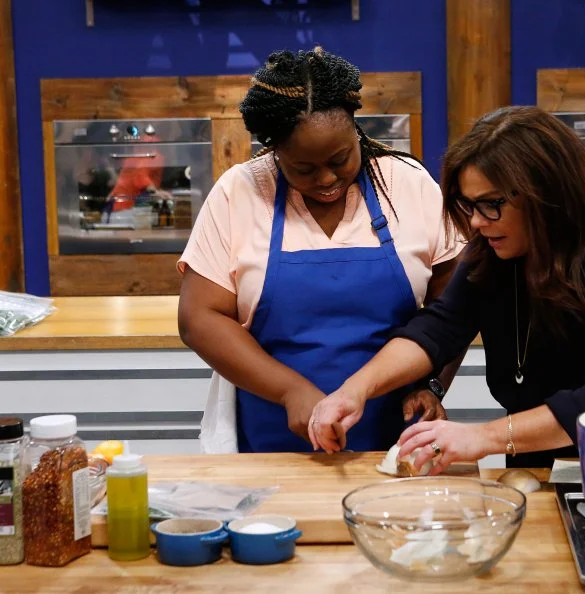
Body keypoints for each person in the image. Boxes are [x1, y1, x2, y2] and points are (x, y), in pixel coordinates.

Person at [308, 106, 585, 470]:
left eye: (490, 204)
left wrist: (483, 437)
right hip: (539, 453)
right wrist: (355, 390)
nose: (476, 221)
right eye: (468, 205)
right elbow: (439, 327)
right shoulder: (495, 247)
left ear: (546, 193)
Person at [177, 47, 464, 453]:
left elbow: (454, 308)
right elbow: (198, 318)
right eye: (303, 169)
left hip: (396, 438)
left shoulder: (407, 184)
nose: (327, 179)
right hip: (272, 434)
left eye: (341, 158)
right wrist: (291, 391)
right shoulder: (240, 191)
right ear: (275, 150)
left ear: (355, 128)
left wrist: (432, 384)